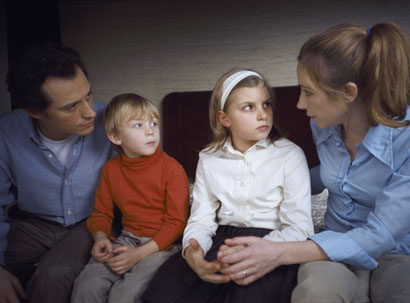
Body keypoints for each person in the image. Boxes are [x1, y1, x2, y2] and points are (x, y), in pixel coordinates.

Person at [217, 23, 410, 302]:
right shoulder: (324, 124)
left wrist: (280, 252)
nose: (300, 104)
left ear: (348, 93)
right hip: (330, 248)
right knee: (317, 292)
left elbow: (383, 233)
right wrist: (261, 184)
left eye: (308, 92)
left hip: (405, 253)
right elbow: (327, 176)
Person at [142, 68, 314, 303]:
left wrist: (258, 250)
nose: (263, 114)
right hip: (222, 242)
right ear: (225, 119)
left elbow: (300, 227)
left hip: (272, 244)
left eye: (266, 104)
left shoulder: (290, 155)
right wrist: (194, 251)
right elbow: (201, 218)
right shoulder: (209, 158)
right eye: (248, 107)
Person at [0, 42, 112, 303]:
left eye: (88, 96)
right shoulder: (6, 133)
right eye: (71, 107)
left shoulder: (110, 120)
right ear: (34, 111)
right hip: (32, 225)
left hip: (91, 222)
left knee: (54, 276)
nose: (89, 112)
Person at [71, 93, 189, 303]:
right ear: (116, 137)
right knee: (87, 285)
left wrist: (138, 255)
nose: (150, 130)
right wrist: (100, 238)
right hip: (126, 239)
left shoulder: (172, 169)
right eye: (138, 125)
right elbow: (101, 213)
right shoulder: (111, 170)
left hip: (162, 246)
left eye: (154, 123)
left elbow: (176, 223)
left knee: (126, 294)